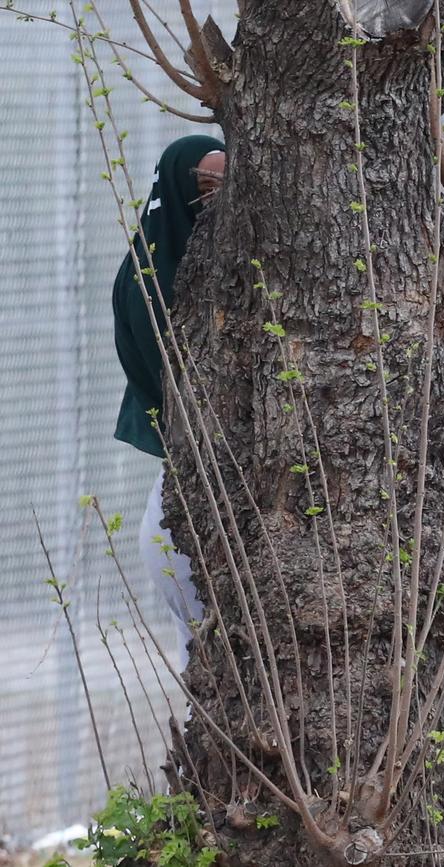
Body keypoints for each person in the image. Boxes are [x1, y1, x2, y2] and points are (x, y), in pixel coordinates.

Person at [112, 135, 226, 669]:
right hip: (191, 476)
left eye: (226, 186)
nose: (215, 199)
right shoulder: (151, 277)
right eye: (206, 186)